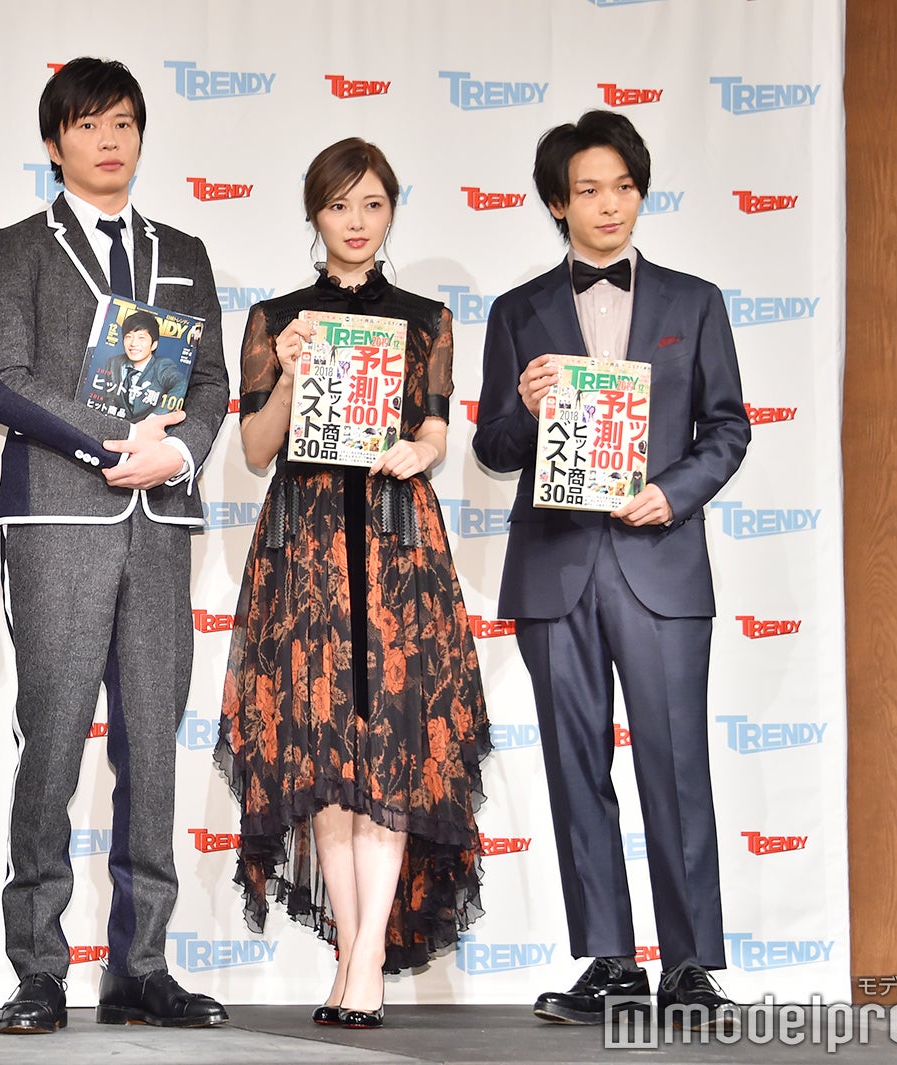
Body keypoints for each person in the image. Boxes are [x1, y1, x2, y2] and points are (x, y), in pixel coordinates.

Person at [473, 109, 749, 1032]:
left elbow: (728, 426)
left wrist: (674, 493)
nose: (609, 204)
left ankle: (690, 966)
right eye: (588, 190)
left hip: (660, 563)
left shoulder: (694, 301)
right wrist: (524, 407)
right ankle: (610, 962)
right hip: (556, 568)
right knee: (574, 768)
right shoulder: (517, 311)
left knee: (676, 765)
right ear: (558, 203)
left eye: (623, 186)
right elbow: (494, 448)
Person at [0, 57, 230, 1035]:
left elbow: (210, 383)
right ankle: (39, 967)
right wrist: (113, 441)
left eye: (122, 122)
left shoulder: (183, 250)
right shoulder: (16, 249)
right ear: (54, 143)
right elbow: (4, 379)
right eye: (86, 125)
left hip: (160, 523)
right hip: (59, 520)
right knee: (52, 740)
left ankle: (141, 966)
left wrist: (181, 450)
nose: (108, 139)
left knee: (152, 747)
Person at [215, 138, 491, 1031]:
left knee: (394, 747)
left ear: (392, 210)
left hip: (396, 542)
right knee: (323, 752)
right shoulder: (275, 319)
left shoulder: (425, 318)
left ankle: (366, 955)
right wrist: (291, 373)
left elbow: (437, 431)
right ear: (314, 214)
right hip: (305, 544)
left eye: (373, 204)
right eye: (340, 205)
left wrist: (419, 450)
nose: (357, 221)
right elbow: (256, 448)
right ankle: (352, 951)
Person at [90, 310, 187, 419]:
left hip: (148, 425)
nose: (133, 343)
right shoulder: (113, 362)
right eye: (129, 337)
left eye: (141, 338)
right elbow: (109, 397)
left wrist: (155, 417)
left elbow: (181, 384)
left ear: (154, 345)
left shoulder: (161, 365)